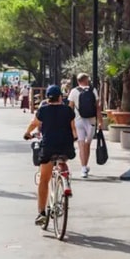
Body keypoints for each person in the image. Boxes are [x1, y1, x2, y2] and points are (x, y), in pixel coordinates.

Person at [23, 85, 77, 226]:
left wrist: (27, 134)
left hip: (49, 147)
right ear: (61, 97)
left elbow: (34, 123)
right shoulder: (68, 111)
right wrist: (75, 137)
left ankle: (41, 213)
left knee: (44, 179)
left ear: (47, 98)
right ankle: (65, 180)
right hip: (66, 146)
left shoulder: (43, 110)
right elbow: (73, 129)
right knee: (62, 158)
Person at [67, 73, 103, 178]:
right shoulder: (93, 90)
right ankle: (85, 165)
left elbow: (70, 108)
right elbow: (98, 107)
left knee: (81, 144)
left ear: (78, 81)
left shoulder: (74, 91)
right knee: (87, 144)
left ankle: (83, 168)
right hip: (91, 121)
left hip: (78, 121)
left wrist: (69, 123)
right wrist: (100, 121)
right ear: (87, 80)